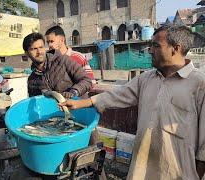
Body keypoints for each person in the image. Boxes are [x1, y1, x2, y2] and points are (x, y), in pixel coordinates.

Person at [59, 25, 205, 179]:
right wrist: (80, 103)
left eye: (156, 45)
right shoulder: (146, 79)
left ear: (176, 48)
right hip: (141, 169)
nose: (150, 50)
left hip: (177, 172)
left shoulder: (199, 84)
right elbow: (118, 95)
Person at [23, 32, 92, 98]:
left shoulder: (63, 61)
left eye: (41, 47)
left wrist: (73, 92)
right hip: (54, 110)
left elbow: (86, 80)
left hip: (77, 108)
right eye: (34, 49)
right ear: (27, 53)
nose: (39, 52)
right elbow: (37, 105)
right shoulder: (32, 80)